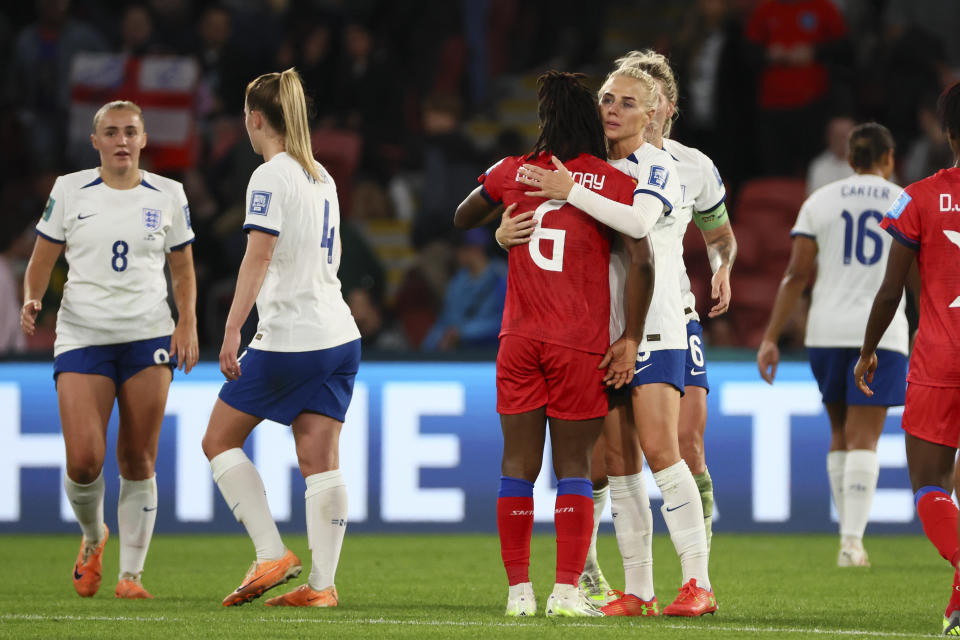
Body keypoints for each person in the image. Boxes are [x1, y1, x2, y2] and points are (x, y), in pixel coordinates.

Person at [512, 58, 716, 617]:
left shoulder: (660, 168)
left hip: (654, 328)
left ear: (653, 116)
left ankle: (698, 583)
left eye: (627, 102)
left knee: (660, 451)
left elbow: (638, 225)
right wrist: (508, 230)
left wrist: (569, 189)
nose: (612, 109)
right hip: (600, 332)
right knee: (621, 463)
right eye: (606, 98)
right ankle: (639, 591)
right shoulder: (588, 169)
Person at [454, 70, 653, 617]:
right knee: (574, 468)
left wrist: (498, 230)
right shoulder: (611, 181)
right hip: (577, 341)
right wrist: (631, 335)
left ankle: (519, 593)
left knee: (516, 464)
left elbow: (461, 214)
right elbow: (642, 256)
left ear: (544, 121)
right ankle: (567, 591)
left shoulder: (515, 171)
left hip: (518, 338)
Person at [20, 100, 198, 599]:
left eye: (130, 132)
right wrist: (34, 295)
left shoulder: (169, 194)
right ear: (94, 141)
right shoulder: (69, 190)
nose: (122, 140)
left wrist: (187, 322)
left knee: (138, 459)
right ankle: (94, 535)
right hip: (83, 335)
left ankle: (130, 576)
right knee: (84, 460)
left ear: (143, 140)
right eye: (111, 132)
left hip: (147, 336)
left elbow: (182, 270)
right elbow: (41, 259)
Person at [200, 69, 361, 608]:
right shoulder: (320, 175)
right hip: (339, 333)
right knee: (320, 458)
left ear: (254, 118)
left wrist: (230, 328)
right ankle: (321, 586)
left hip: (292, 336)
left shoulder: (269, 176)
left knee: (218, 440)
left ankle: (271, 551)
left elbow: (259, 253)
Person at [758, 123, 908, 567]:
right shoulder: (903, 201)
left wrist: (770, 336)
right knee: (865, 438)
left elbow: (796, 275)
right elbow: (911, 277)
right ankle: (851, 542)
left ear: (850, 159)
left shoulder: (819, 200)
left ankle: (848, 538)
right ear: (888, 158)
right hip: (881, 333)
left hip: (824, 330)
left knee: (840, 434)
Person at [853, 82, 960, 635]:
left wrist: (869, 349)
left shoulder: (916, 196)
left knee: (930, 486)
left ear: (946, 133)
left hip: (940, 360)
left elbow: (891, 287)